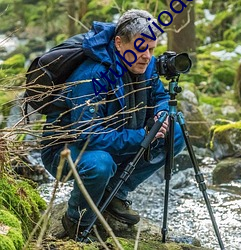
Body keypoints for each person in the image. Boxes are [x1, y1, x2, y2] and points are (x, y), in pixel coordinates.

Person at [41, 9, 185, 241]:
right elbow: (87, 135)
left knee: (175, 132)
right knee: (100, 164)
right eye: (141, 48)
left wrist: (161, 114)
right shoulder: (92, 75)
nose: (147, 56)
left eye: (151, 49)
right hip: (67, 150)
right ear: (119, 43)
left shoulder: (145, 64)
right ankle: (76, 221)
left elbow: (159, 96)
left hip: (117, 137)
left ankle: (115, 193)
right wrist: (142, 135)